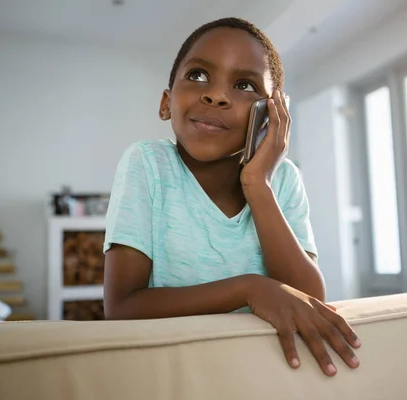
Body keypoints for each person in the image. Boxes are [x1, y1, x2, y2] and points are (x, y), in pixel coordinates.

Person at [102, 17, 361, 377]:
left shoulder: (283, 180)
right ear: (166, 103)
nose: (217, 95)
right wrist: (249, 289)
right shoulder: (147, 163)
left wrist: (258, 184)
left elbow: (310, 297)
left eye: (244, 85)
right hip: (174, 374)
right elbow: (121, 308)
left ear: (272, 116)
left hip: (267, 372)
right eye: (198, 76)